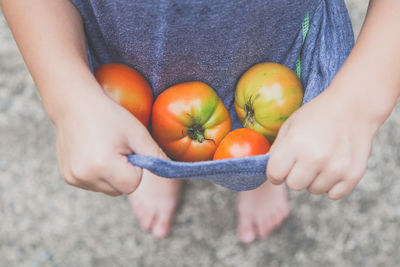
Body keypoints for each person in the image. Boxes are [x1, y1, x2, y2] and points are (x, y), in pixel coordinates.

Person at [1, 0, 399, 244]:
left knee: (280, 148)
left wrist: (359, 103)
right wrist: (68, 99)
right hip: (128, 59)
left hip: (275, 43)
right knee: (138, 132)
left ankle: (259, 173)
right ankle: (161, 164)